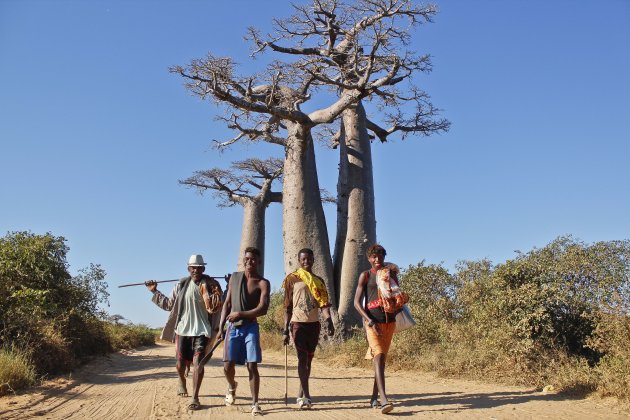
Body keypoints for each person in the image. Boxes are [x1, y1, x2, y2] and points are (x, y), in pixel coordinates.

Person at [145, 254, 223, 411]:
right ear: (188, 269)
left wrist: (228, 286)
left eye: (198, 267)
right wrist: (155, 292)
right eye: (193, 267)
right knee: (180, 364)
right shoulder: (180, 285)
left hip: (202, 330)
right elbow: (168, 304)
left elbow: (221, 303)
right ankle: (181, 379)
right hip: (183, 329)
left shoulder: (212, 285)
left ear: (203, 269)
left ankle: (195, 397)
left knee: (198, 363)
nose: (196, 270)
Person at [219, 247, 270, 416]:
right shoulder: (235, 278)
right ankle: (232, 386)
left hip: (250, 327)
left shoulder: (263, 283)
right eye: (247, 259)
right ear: (244, 260)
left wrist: (240, 314)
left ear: (259, 262)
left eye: (253, 260)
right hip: (233, 328)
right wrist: (220, 328)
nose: (249, 262)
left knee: (252, 365)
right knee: (227, 366)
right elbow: (227, 304)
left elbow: (263, 308)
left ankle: (255, 403)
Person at [282, 248, 335, 410]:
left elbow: (323, 303)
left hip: (313, 324)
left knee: (309, 360)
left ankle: (300, 394)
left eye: (309, 259)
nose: (306, 262)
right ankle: (307, 395)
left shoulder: (319, 280)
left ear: (313, 260)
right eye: (303, 259)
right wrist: (285, 330)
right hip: (297, 323)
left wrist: (329, 321)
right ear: (299, 260)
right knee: (302, 359)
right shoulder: (292, 279)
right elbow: (287, 307)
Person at [353, 244, 398, 414]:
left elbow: (396, 295)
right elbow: (356, 303)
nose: (377, 260)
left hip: (389, 322)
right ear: (369, 259)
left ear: (384, 257)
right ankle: (384, 399)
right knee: (378, 356)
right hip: (372, 323)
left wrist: (397, 304)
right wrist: (368, 320)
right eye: (374, 257)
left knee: (381, 361)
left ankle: (373, 397)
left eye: (380, 256)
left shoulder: (390, 274)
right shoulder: (365, 276)